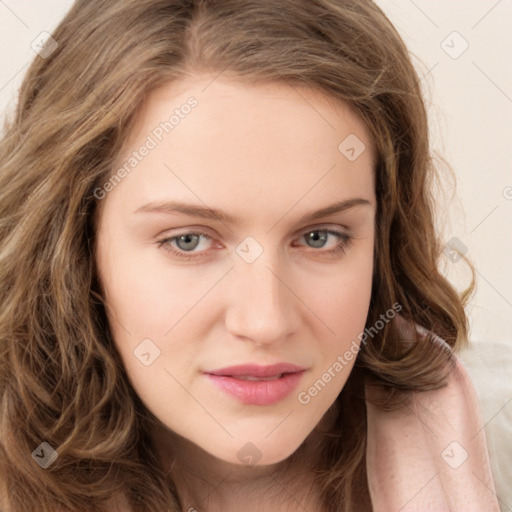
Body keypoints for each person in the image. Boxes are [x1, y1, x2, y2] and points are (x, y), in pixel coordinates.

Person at [0, 1, 500, 511]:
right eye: (188, 240)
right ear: (73, 247)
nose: (265, 322)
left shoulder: (490, 445)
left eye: (320, 237)